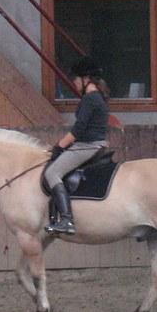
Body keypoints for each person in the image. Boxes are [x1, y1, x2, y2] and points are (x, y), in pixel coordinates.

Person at [44, 57, 110, 235]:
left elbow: (78, 129)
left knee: (52, 172)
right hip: (93, 144)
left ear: (85, 79)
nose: (73, 83)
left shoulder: (90, 98)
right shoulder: (97, 97)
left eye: (75, 79)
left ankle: (66, 220)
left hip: (87, 145)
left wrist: (58, 146)